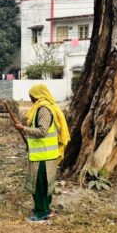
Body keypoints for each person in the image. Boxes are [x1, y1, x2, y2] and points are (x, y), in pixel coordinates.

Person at [13, 84, 70, 223]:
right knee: (45, 184)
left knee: (40, 185)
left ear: (37, 95)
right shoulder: (46, 107)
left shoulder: (43, 109)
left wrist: (23, 128)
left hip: (44, 156)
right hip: (45, 154)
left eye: (31, 95)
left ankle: (41, 213)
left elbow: (42, 132)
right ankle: (45, 209)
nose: (31, 98)